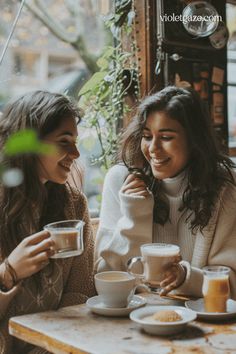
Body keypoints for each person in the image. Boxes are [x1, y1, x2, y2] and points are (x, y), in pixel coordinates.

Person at [95, 86, 236, 299]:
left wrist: (186, 278)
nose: (153, 148)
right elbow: (105, 276)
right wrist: (134, 217)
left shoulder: (226, 184)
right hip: (132, 317)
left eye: (166, 137)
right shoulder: (120, 180)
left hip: (204, 318)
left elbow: (231, 284)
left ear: (194, 140)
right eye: (147, 136)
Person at [0, 91, 95, 353]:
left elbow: (80, 291)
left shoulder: (74, 205)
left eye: (75, 141)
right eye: (64, 141)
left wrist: (53, 346)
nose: (75, 153)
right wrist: (9, 272)